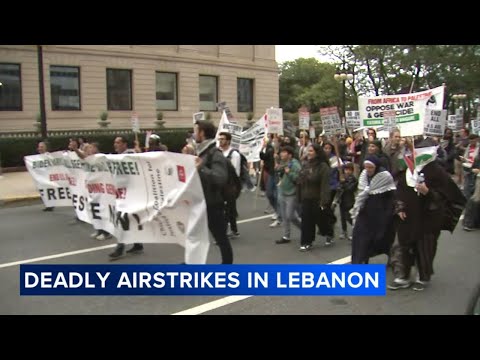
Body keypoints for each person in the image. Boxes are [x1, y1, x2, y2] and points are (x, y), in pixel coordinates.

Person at [388, 139, 467, 291]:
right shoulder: (407, 168)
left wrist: (428, 192)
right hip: (408, 215)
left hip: (428, 217)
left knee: (424, 247)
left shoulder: (437, 171)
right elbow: (399, 191)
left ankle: (423, 276)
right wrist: (399, 207)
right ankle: (402, 275)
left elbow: (446, 196)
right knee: (402, 244)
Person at [194, 120, 233, 264]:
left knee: (221, 238)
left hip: (213, 203)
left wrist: (201, 168)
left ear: (202, 133)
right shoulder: (203, 152)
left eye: (196, 131)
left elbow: (220, 178)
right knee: (194, 236)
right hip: (201, 201)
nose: (194, 134)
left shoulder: (214, 153)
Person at [350, 155, 396, 264]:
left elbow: (392, 196)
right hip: (365, 211)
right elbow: (361, 193)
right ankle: (359, 262)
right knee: (359, 237)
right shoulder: (364, 176)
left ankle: (391, 257)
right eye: (366, 167)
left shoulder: (385, 177)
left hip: (380, 213)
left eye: (371, 167)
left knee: (381, 238)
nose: (368, 170)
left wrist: (389, 212)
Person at [109, 136, 144, 259]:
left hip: (131, 193)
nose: (115, 144)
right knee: (128, 219)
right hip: (120, 193)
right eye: (115, 142)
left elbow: (142, 161)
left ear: (125, 144)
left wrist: (139, 152)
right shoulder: (114, 157)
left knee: (122, 218)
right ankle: (138, 243)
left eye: (118, 142)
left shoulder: (131, 154)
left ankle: (120, 247)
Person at [296, 143, 330, 251]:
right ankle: (306, 241)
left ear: (317, 153)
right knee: (306, 221)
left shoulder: (323, 167)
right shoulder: (305, 164)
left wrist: (324, 201)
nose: (308, 153)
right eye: (307, 151)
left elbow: (325, 185)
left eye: (310, 151)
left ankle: (329, 232)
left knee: (321, 221)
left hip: (317, 198)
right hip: (306, 197)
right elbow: (299, 181)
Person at [274, 145, 302, 244]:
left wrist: (289, 172)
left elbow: (298, 178)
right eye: (281, 152)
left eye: (284, 152)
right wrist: (277, 167)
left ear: (290, 155)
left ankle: (304, 229)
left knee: (291, 216)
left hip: (291, 193)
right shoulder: (284, 162)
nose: (281, 154)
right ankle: (286, 236)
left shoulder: (295, 164)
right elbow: (279, 172)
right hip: (282, 191)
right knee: (284, 216)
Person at [218, 132, 241, 238]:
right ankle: (234, 230)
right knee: (230, 209)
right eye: (219, 139)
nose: (220, 141)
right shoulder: (218, 153)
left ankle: (222, 232)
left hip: (230, 186)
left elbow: (236, 172)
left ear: (228, 141)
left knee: (226, 210)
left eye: (222, 139)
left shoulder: (234, 154)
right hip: (220, 185)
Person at [338, 161, 358, 241]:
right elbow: (339, 188)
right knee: (342, 217)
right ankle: (344, 231)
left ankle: (355, 228)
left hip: (349, 200)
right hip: (342, 199)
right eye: (346, 170)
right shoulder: (342, 178)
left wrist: (343, 183)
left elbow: (350, 189)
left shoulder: (354, 179)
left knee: (348, 216)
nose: (347, 171)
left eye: (349, 170)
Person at [37, 141, 54, 212]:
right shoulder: (37, 157)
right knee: (43, 191)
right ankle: (48, 204)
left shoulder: (48, 156)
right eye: (39, 147)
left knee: (48, 190)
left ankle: (50, 204)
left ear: (46, 148)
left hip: (48, 176)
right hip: (41, 177)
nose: (40, 148)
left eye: (42, 147)